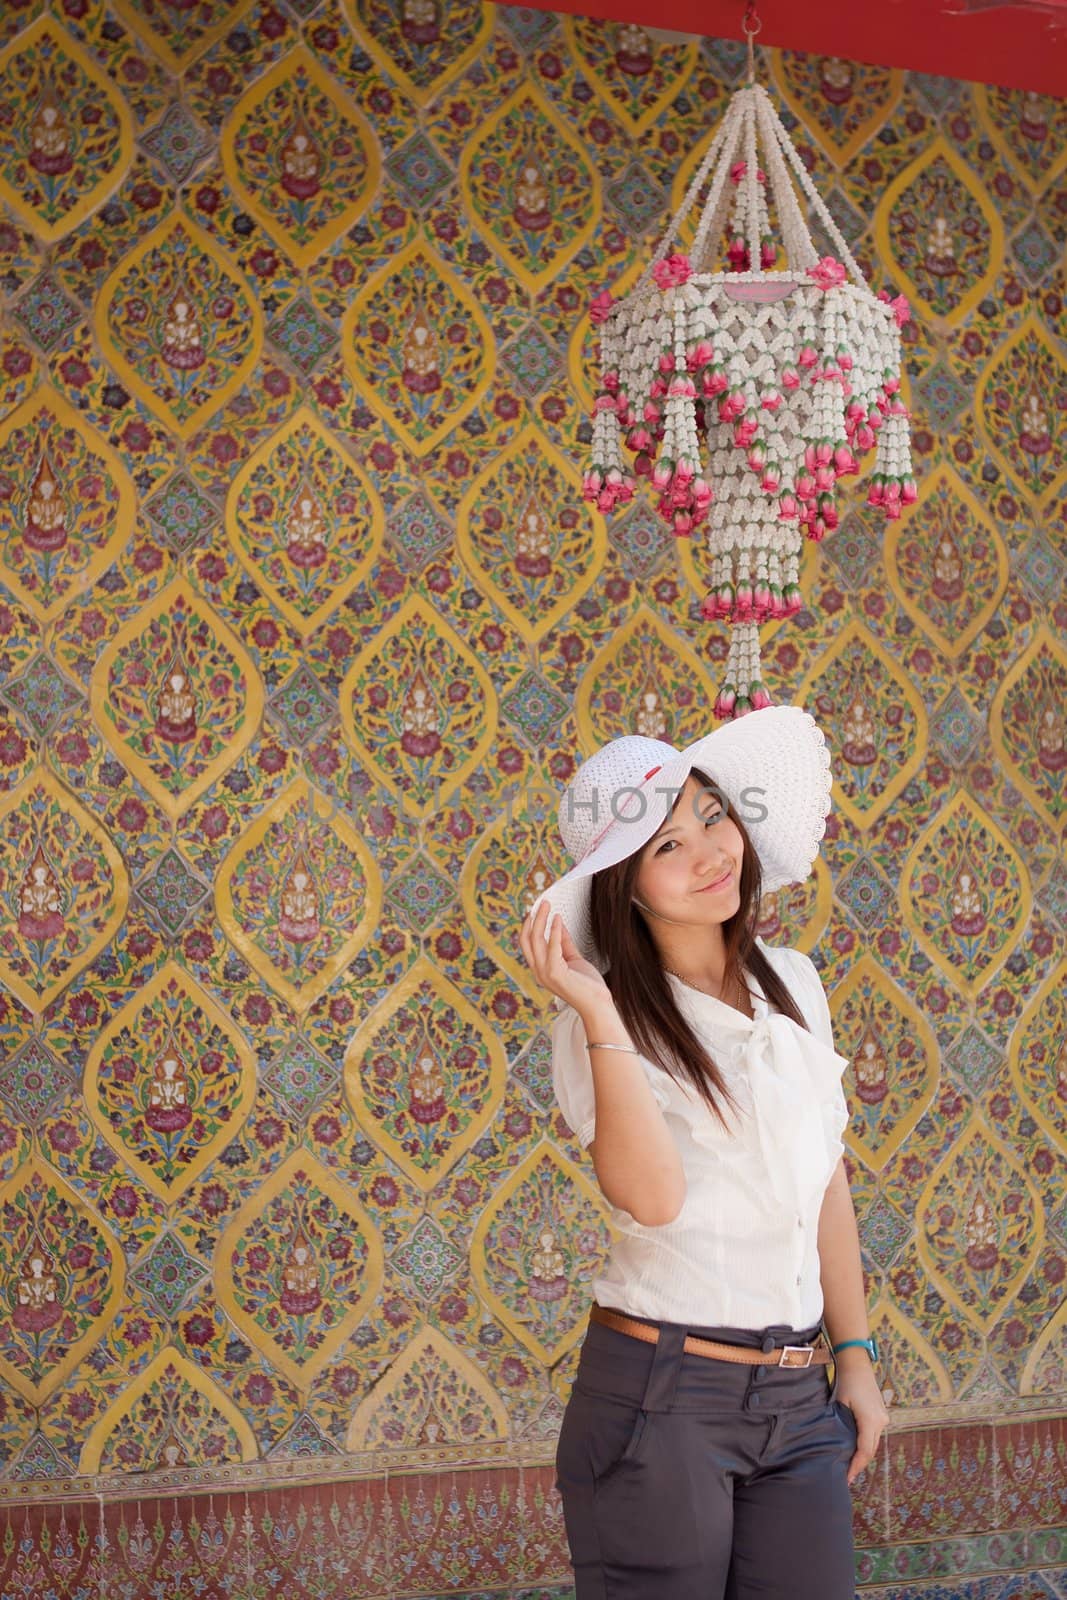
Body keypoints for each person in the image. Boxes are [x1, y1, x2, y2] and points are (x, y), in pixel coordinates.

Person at [518, 704, 888, 1600]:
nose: (708, 854)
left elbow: (821, 1183)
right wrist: (600, 1012)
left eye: (711, 818)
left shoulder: (793, 982)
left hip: (799, 1401)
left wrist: (856, 1355)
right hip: (661, 1400)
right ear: (626, 886)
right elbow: (652, 1197)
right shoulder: (600, 1026)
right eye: (666, 847)